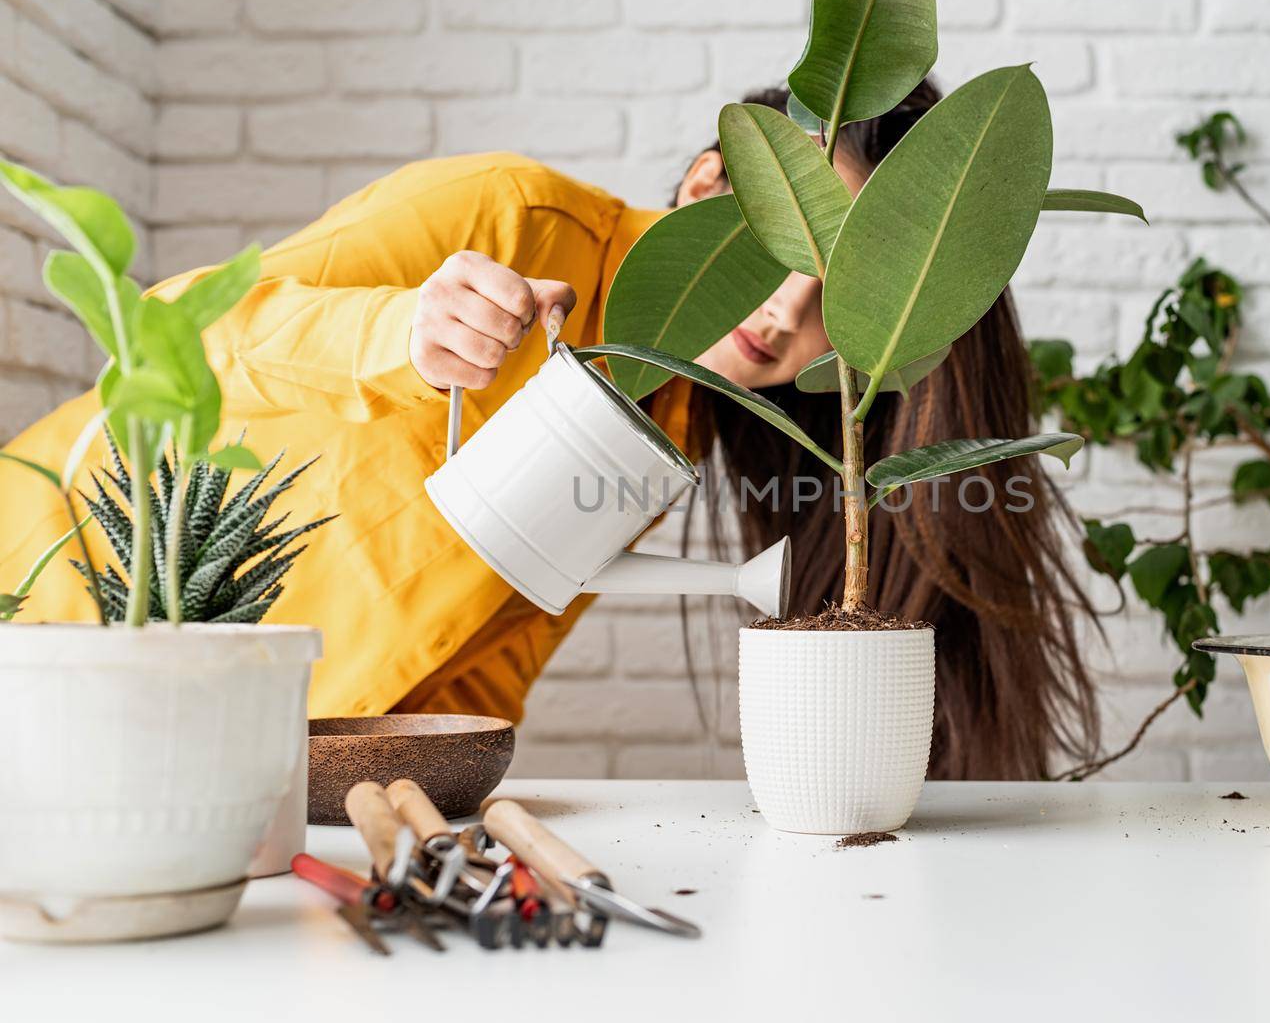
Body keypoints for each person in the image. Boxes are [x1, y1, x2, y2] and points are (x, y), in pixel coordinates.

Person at [0, 79, 1099, 780]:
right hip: (44, 600)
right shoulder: (511, 218)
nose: (784, 318)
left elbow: (484, 641)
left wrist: (431, 794)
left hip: (195, 743)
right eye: (785, 257)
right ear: (710, 182)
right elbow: (163, 333)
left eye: (838, 309)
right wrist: (401, 329)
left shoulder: (674, 421)